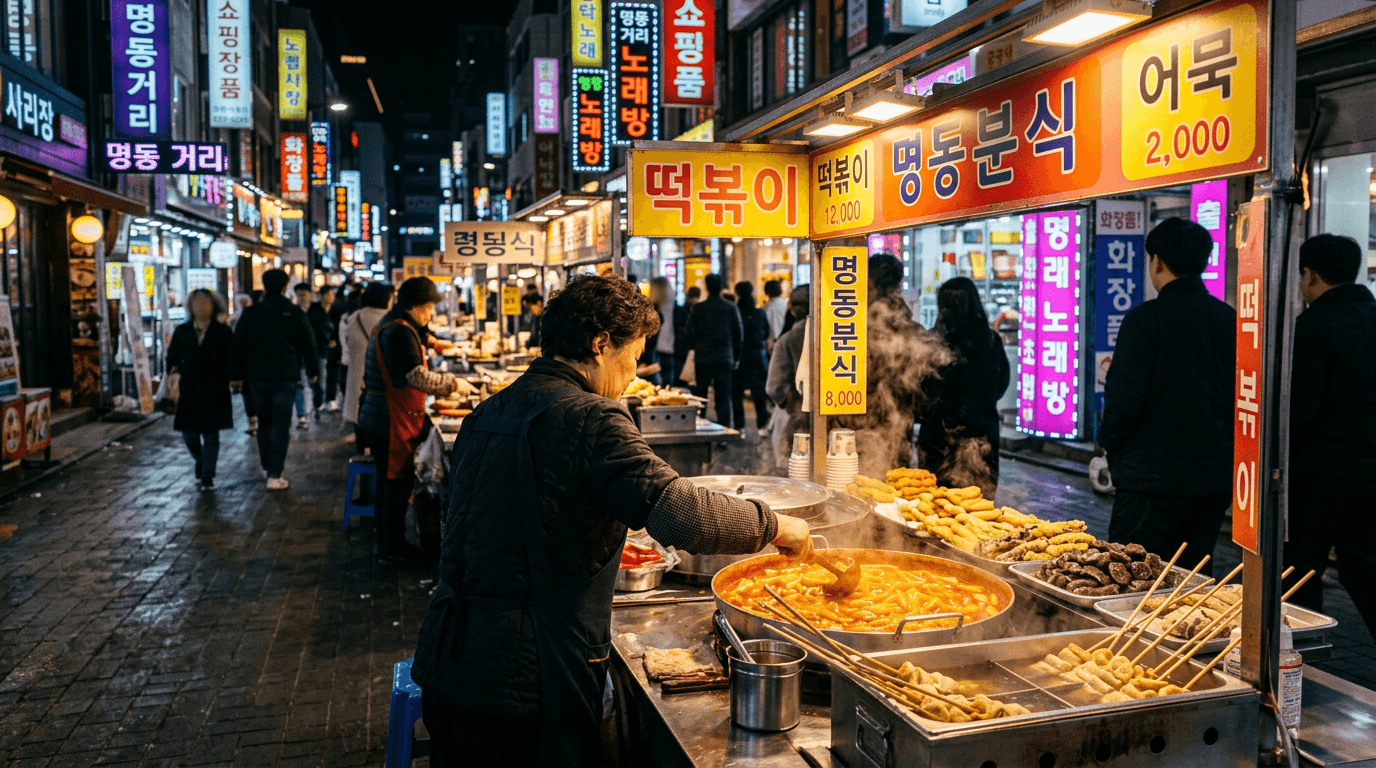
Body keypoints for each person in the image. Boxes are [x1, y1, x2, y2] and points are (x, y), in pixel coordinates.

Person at [412, 274, 812, 767]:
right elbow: (679, 514)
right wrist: (774, 525)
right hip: (526, 678)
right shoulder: (592, 418)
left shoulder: (489, 412)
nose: (634, 371)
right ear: (601, 344)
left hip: (449, 659)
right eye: (635, 355)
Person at [1099, 218, 1235, 576]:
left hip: (1149, 483)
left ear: (1156, 261)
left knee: (1134, 578)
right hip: (1211, 481)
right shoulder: (1231, 320)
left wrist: (1111, 449)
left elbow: (1123, 401)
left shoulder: (1146, 320)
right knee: (1192, 581)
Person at [1283, 234, 1376, 638]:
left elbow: (1300, 411)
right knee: (1366, 567)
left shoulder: (1313, 327)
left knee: (1300, 573)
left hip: (1320, 477)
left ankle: (1301, 656)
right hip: (1370, 474)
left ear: (1310, 274)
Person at [357, 278, 475, 562]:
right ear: (415, 306)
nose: (430, 314)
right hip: (388, 418)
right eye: (429, 308)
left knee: (391, 483)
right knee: (395, 485)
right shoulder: (398, 331)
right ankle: (393, 549)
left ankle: (388, 544)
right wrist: (453, 384)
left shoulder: (398, 323)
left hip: (380, 415)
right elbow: (415, 375)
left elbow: (423, 339)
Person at [833, 253, 951, 478]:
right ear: (898, 282)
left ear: (869, 282)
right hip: (898, 432)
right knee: (890, 498)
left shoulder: (852, 330)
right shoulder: (911, 329)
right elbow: (933, 383)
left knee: (855, 496)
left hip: (857, 431)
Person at [918, 277, 1010, 499]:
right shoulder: (991, 341)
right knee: (978, 508)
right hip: (983, 432)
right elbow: (1001, 384)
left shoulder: (932, 343)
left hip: (938, 436)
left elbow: (921, 390)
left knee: (935, 509)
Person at [230, 269, 318, 491]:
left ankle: (267, 465)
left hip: (258, 375)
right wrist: (312, 369)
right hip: (285, 375)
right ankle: (274, 473)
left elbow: (238, 344)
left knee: (264, 422)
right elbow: (308, 341)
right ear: (285, 286)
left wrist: (236, 375)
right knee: (280, 423)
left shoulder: (251, 312)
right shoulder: (293, 311)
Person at [167, 289, 234, 491]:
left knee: (211, 434)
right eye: (197, 302)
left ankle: (207, 476)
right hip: (188, 389)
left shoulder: (223, 332)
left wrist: (231, 378)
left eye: (205, 302)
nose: (201, 306)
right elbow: (172, 358)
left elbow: (230, 358)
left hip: (214, 389)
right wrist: (174, 374)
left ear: (214, 306)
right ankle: (201, 459)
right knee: (190, 435)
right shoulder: (182, 331)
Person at [684, 274, 742, 426]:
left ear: (706, 287)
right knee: (723, 397)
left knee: (700, 395)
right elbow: (738, 334)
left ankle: (699, 426)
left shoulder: (698, 308)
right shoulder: (731, 307)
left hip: (703, 357)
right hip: (724, 357)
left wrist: (695, 346)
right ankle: (724, 432)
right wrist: (736, 357)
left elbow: (688, 332)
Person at [766, 285, 811, 472]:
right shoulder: (834, 338)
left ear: (791, 309)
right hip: (835, 425)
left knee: (796, 475)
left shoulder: (787, 340)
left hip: (797, 422)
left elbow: (774, 387)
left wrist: (794, 405)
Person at [341, 282, 393, 432]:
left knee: (359, 413)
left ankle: (361, 447)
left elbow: (346, 340)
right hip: (380, 380)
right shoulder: (390, 320)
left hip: (357, 375)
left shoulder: (354, 318)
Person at [732, 281, 771, 434]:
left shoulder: (735, 312)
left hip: (740, 358)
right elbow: (766, 333)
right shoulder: (760, 313)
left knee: (737, 395)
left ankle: (740, 427)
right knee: (759, 393)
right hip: (757, 357)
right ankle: (762, 426)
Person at [295, 283, 330, 427]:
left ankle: (317, 405)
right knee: (299, 384)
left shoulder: (318, 310)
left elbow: (325, 329)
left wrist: (327, 340)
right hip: (298, 353)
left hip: (317, 352)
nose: (302, 297)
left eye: (304, 293)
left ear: (310, 294)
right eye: (299, 294)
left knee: (318, 383)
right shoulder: (294, 311)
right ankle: (301, 416)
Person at [228, 293, 257, 435]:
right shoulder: (256, 316)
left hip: (243, 361)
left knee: (248, 394)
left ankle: (252, 422)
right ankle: (257, 422)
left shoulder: (234, 318)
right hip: (254, 360)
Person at [321, 286, 344, 412]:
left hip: (334, 349)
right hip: (321, 347)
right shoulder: (317, 311)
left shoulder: (338, 311)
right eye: (328, 294)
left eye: (332, 295)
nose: (330, 297)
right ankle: (320, 401)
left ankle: (330, 399)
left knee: (332, 374)